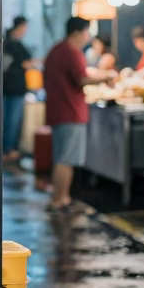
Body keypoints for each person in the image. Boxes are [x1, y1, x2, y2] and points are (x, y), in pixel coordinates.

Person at [43, 16, 116, 211]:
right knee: (66, 159)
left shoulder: (57, 50)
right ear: (77, 32)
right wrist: (105, 79)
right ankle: (59, 199)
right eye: (86, 31)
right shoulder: (71, 52)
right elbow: (81, 79)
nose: (88, 36)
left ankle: (62, 197)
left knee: (62, 157)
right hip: (70, 112)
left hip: (59, 110)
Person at [2, 16, 34, 161]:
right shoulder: (15, 44)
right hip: (16, 88)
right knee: (13, 121)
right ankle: (9, 149)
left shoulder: (5, 41)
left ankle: (5, 149)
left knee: (6, 119)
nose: (26, 30)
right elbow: (26, 63)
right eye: (25, 27)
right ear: (20, 26)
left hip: (6, 86)